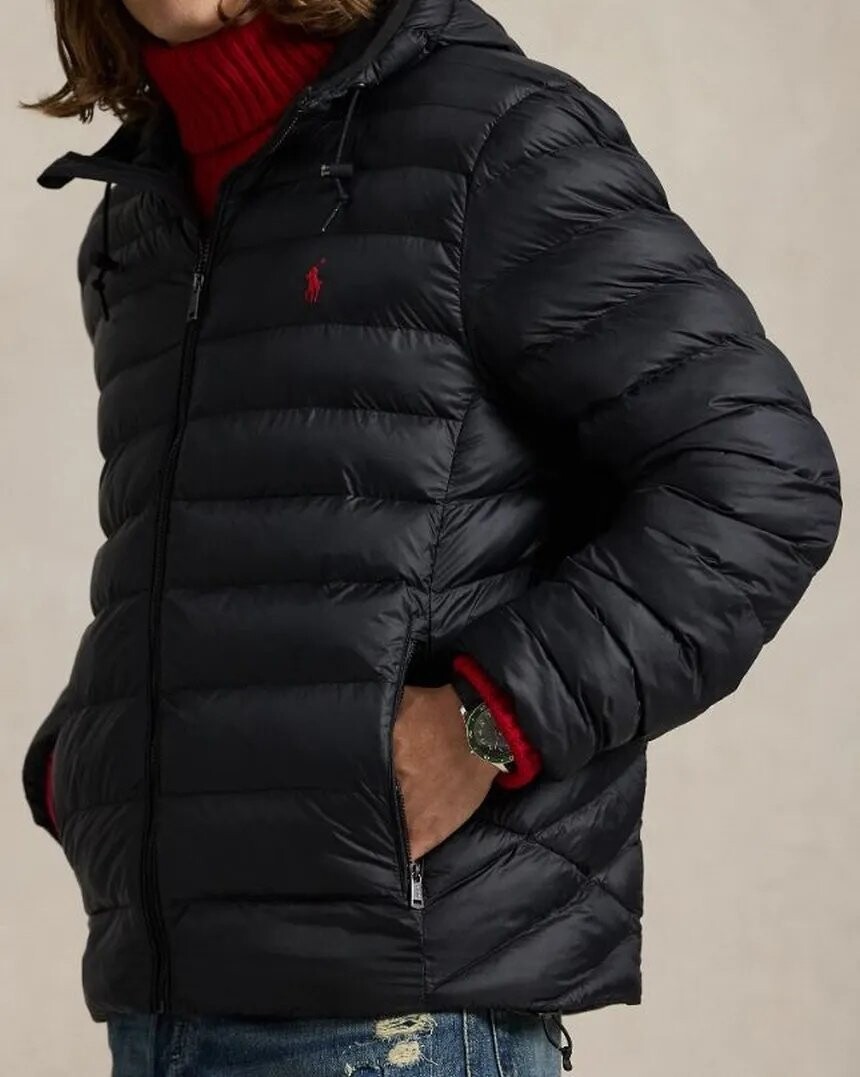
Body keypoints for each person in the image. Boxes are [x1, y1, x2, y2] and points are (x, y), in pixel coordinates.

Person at [21, 0, 841, 1074]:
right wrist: (92, 761)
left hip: (399, 1018)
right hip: (161, 1008)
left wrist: (486, 720)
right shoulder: (138, 211)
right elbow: (204, 547)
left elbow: (757, 480)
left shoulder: (485, 141)